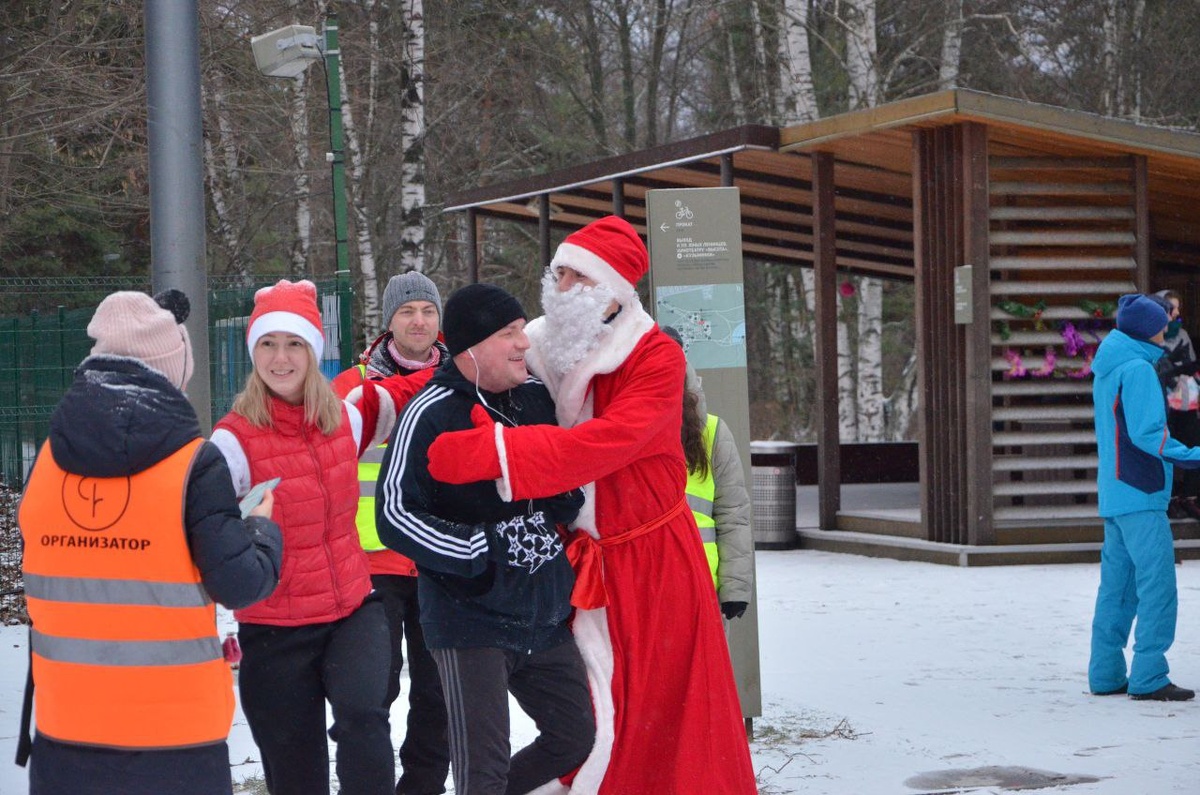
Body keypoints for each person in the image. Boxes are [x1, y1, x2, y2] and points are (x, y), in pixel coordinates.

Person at [425, 216, 758, 793]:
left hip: (656, 564)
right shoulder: (544, 339)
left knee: (664, 711)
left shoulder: (655, 357)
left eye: (575, 274)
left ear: (609, 287)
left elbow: (607, 444)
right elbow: (474, 365)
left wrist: (498, 452)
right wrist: (380, 399)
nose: (560, 284)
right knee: (592, 715)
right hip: (579, 561)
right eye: (558, 271)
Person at [16, 289, 283, 795]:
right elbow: (241, 584)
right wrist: (262, 530)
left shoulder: (46, 461)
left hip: (67, 731)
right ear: (171, 370)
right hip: (177, 739)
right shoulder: (194, 464)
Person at [374, 283, 595, 795]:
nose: (523, 344)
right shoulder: (430, 411)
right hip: (468, 617)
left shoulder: (537, 398)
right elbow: (394, 513)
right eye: (510, 333)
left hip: (543, 612)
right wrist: (477, 549)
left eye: (523, 331)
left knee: (575, 738)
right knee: (482, 772)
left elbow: (564, 480)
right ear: (472, 346)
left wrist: (562, 500)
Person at [211, 279, 405, 795]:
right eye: (268, 344)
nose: (280, 358)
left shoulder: (348, 416)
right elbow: (203, 532)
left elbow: (414, 392)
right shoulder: (231, 440)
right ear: (253, 352)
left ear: (314, 350)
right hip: (276, 628)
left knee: (366, 721)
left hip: (351, 610)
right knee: (297, 771)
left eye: (294, 343)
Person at [331, 271, 450, 795]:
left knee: (440, 692)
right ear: (389, 321)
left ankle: (423, 787)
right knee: (369, 692)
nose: (418, 321)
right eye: (407, 312)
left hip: (442, 560)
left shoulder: (464, 379)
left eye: (427, 311)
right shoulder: (352, 386)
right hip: (371, 563)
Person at [1089, 293, 1199, 701]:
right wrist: (1194, 456)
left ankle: (1105, 673)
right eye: (1161, 323)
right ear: (1146, 328)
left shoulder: (1110, 366)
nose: (1166, 328)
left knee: (1118, 588)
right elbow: (1148, 435)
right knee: (1157, 587)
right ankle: (1150, 675)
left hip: (1116, 492)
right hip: (1140, 490)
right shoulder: (1137, 369)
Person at [662, 327, 754, 621]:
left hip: (703, 589)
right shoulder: (624, 425)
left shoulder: (712, 432)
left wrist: (735, 588)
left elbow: (733, 513)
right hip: (646, 586)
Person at [1151, 289, 1200, 520]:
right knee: (1166, 448)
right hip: (1162, 402)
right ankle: (1168, 499)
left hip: (1186, 402)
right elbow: (1155, 369)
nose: (1177, 313)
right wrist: (1173, 369)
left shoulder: (1182, 335)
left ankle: (1189, 497)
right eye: (1173, 308)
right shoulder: (1150, 337)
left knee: (1192, 441)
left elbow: (1191, 366)